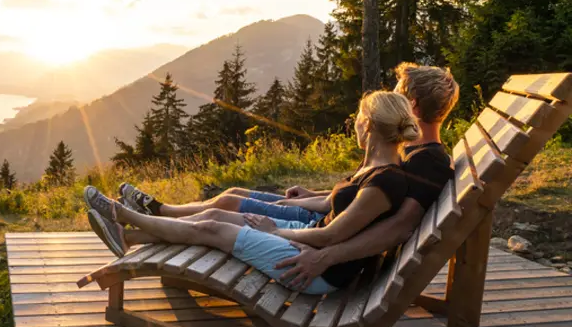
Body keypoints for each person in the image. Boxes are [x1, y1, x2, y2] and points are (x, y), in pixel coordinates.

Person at [117, 63, 460, 265]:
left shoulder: (425, 162)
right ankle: (150, 218)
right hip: (324, 225)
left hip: (322, 242)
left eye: (398, 94)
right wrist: (314, 195)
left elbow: (396, 226)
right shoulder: (406, 153)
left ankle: (140, 221)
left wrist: (323, 254)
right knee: (227, 202)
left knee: (219, 214)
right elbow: (363, 194)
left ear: (411, 105)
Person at [85, 90, 422, 294]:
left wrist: (273, 229)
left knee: (211, 228)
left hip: (313, 267)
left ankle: (122, 214)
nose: (355, 125)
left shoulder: (386, 182)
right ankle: (129, 238)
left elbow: (334, 234)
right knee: (214, 214)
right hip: (306, 241)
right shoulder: (373, 169)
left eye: (358, 119)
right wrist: (292, 209)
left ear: (369, 125)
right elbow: (331, 212)